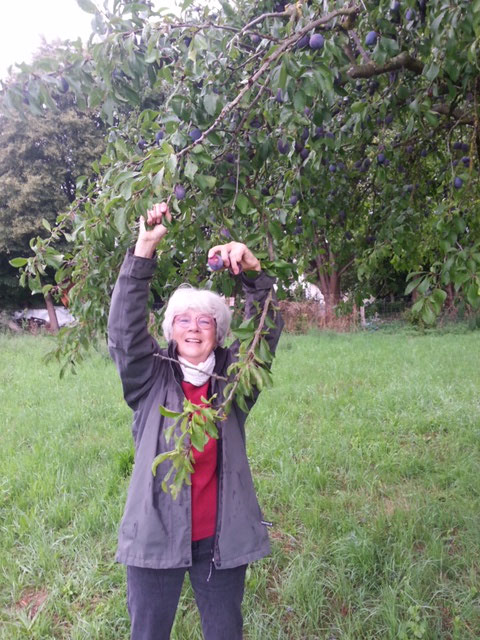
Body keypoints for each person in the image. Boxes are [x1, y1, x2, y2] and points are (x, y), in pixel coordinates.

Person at [108, 202, 284, 640]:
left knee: (225, 633)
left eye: (205, 320)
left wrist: (254, 276)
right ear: (169, 330)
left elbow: (263, 333)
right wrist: (143, 252)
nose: (193, 328)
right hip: (154, 536)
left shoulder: (234, 379)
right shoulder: (149, 377)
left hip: (219, 542)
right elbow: (125, 333)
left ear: (219, 332)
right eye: (182, 319)